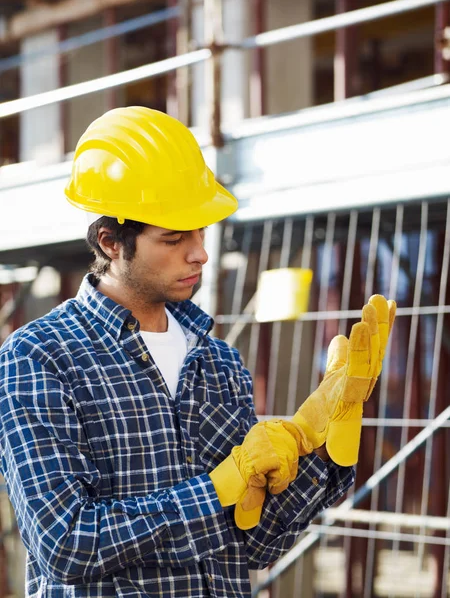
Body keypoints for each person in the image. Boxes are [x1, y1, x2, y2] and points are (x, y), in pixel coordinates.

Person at [0, 107, 395, 598]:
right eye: (174, 237)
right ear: (111, 241)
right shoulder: (40, 357)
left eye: (201, 231)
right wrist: (215, 490)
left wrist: (329, 445)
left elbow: (254, 545)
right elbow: (64, 542)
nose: (199, 253)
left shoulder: (219, 362)